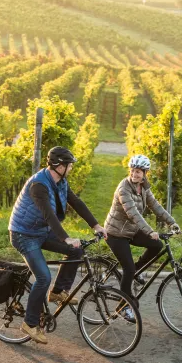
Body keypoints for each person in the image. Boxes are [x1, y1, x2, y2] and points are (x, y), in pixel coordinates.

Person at [9, 146, 107, 344]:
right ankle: (30, 323)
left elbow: (76, 202)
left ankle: (58, 291)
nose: (71, 167)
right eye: (69, 164)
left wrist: (96, 225)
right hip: (24, 234)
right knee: (43, 277)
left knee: (76, 250)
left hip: (41, 231)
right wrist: (65, 238)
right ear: (58, 165)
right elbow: (49, 215)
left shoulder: (61, 181)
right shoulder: (39, 185)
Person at [104, 154, 180, 320]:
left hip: (130, 231)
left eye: (138, 171)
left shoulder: (144, 187)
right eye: (132, 170)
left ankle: (136, 271)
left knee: (157, 245)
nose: (134, 174)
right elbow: (133, 214)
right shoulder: (124, 188)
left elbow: (156, 206)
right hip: (115, 233)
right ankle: (123, 307)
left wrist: (172, 223)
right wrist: (149, 231)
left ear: (145, 173)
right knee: (128, 269)